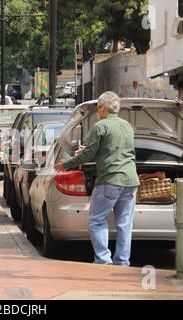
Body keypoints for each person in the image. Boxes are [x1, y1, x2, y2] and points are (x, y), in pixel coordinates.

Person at [54, 91, 140, 266]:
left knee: (97, 219)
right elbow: (115, 149)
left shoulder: (100, 126)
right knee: (125, 223)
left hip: (110, 179)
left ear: (102, 109)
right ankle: (122, 261)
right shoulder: (127, 126)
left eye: (98, 108)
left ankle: (103, 260)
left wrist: (67, 164)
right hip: (131, 180)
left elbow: (88, 154)